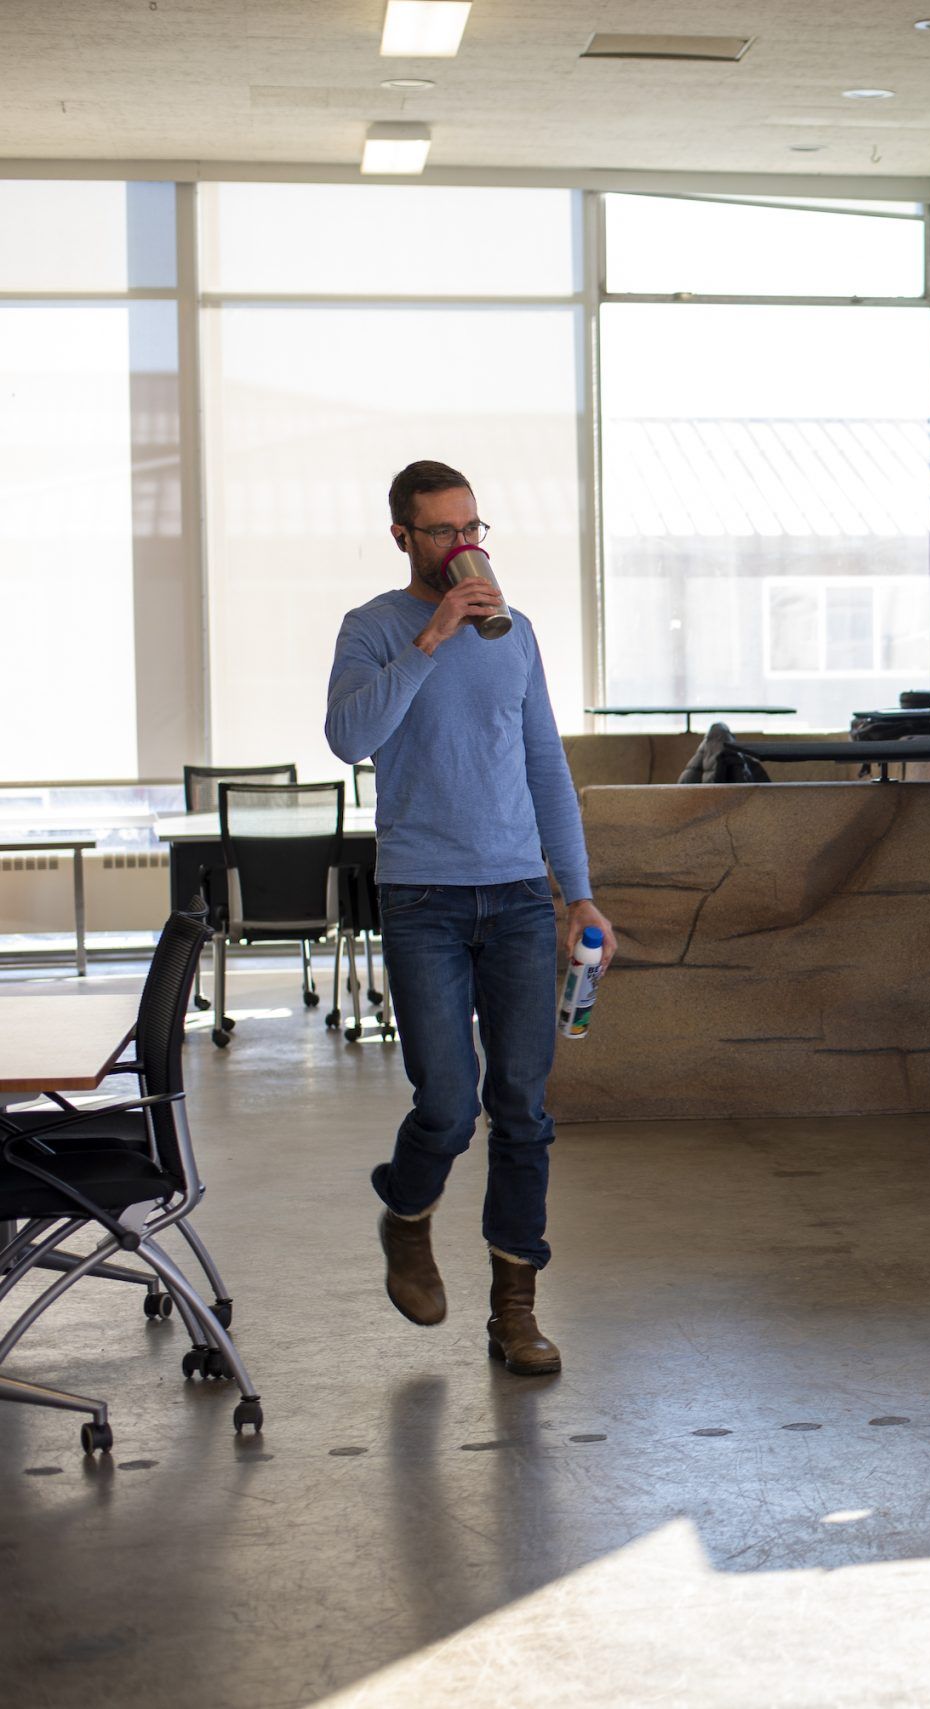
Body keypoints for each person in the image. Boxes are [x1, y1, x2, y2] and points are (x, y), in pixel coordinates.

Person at [324, 459, 613, 1376]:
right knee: (448, 1104)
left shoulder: (516, 633)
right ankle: (406, 1213)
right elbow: (347, 738)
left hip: (521, 897)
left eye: (474, 527)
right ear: (405, 537)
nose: (466, 546)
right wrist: (433, 637)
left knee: (521, 1108)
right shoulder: (371, 629)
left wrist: (579, 892)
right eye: (445, 531)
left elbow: (544, 768)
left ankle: (514, 1312)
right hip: (423, 898)